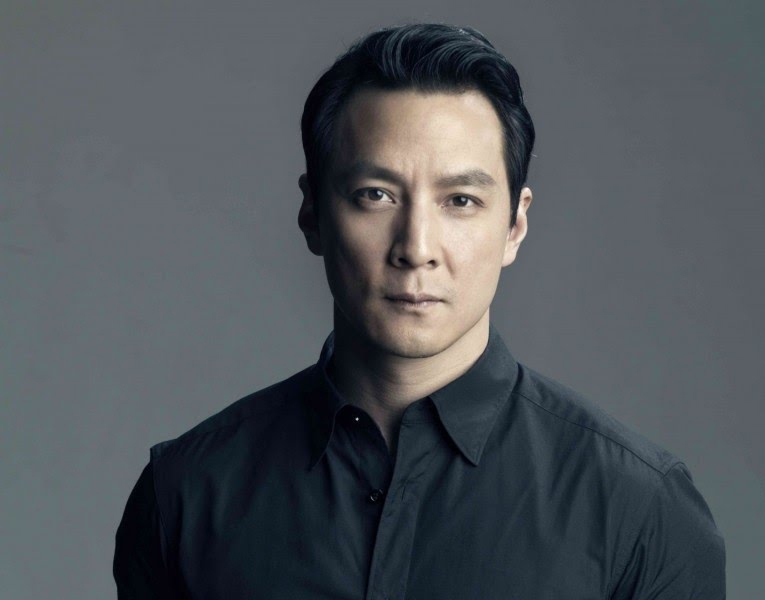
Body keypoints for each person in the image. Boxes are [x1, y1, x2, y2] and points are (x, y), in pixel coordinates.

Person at [113, 23, 725, 599]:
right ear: (313, 213)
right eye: (375, 195)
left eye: (460, 200)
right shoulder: (185, 494)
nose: (416, 248)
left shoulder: (642, 511)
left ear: (515, 226)